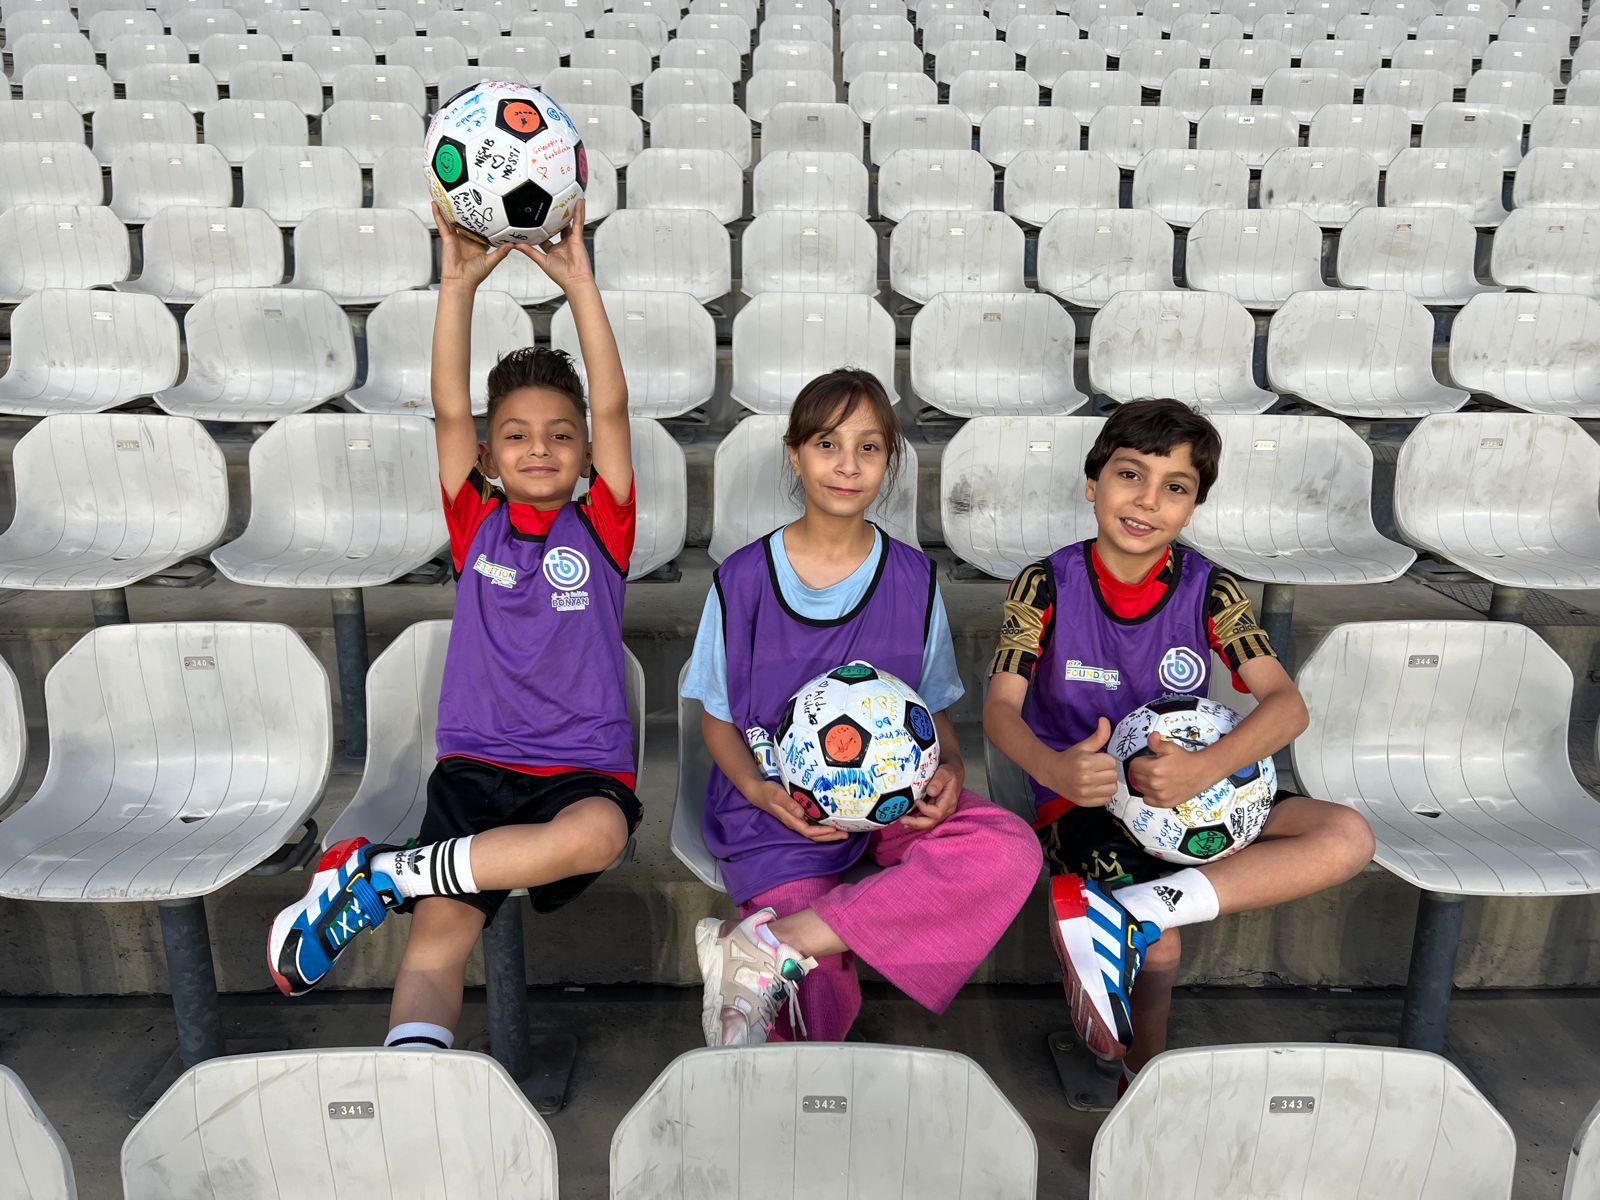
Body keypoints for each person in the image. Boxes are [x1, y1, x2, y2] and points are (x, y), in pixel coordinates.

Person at [268, 201, 644, 1056]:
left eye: (561, 435)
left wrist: (580, 285)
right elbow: (446, 408)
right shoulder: (478, 523)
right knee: (437, 945)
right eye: (515, 435)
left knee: (599, 834)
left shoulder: (605, 526)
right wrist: (457, 284)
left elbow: (616, 405)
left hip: (581, 768)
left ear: (588, 453)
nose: (539, 448)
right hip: (476, 764)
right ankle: (415, 1086)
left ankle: (382, 873)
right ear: (486, 455)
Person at [983, 399, 1374, 1082]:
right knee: (1159, 953)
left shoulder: (1210, 590)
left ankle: (1136, 911)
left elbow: (1287, 707)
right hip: (1089, 801)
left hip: (1197, 794)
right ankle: (1141, 1076)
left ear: (1193, 508)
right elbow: (998, 711)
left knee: (1346, 836)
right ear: (1093, 483)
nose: (1147, 500)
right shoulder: (1045, 584)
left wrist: (1204, 769)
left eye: (1175, 487)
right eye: (1129, 475)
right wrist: (1056, 769)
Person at [683, 368, 1042, 1046]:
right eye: (827, 444)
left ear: (890, 461)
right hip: (783, 810)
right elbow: (718, 716)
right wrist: (760, 792)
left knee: (1007, 850)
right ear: (795, 455)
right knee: (815, 991)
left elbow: (934, 709)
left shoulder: (914, 578)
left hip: (893, 801)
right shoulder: (741, 579)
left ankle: (772, 942)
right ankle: (794, 1024)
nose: (847, 465)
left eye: (869, 447)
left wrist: (952, 770)